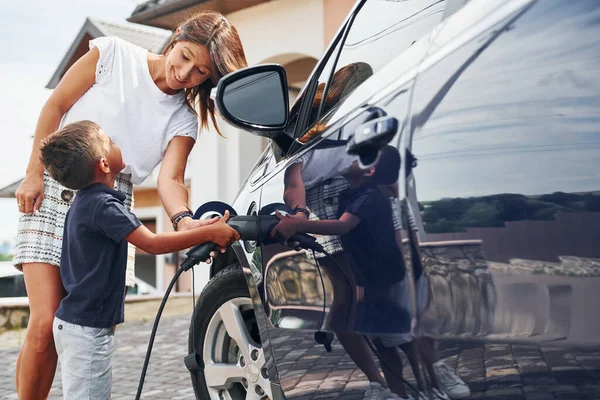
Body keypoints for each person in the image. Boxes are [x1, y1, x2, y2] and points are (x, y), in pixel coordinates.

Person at [13, 11, 247, 399]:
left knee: (91, 325)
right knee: (44, 324)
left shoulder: (183, 119)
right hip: (57, 186)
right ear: (176, 37)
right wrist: (33, 172)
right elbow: (55, 106)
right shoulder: (112, 54)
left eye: (201, 72)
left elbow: (170, 180)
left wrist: (184, 220)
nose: (185, 74)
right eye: (185, 56)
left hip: (111, 202)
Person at [39, 120, 240, 399]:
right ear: (104, 165)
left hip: (79, 324)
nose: (117, 143)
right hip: (85, 330)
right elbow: (153, 243)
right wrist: (212, 231)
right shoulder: (104, 206)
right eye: (111, 142)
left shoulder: (86, 202)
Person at [274, 146, 416, 400]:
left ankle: (419, 378)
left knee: (372, 295)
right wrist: (299, 215)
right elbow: (293, 180)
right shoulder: (303, 136)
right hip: (320, 202)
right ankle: (382, 384)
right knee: (348, 294)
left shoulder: (353, 132)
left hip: (357, 194)